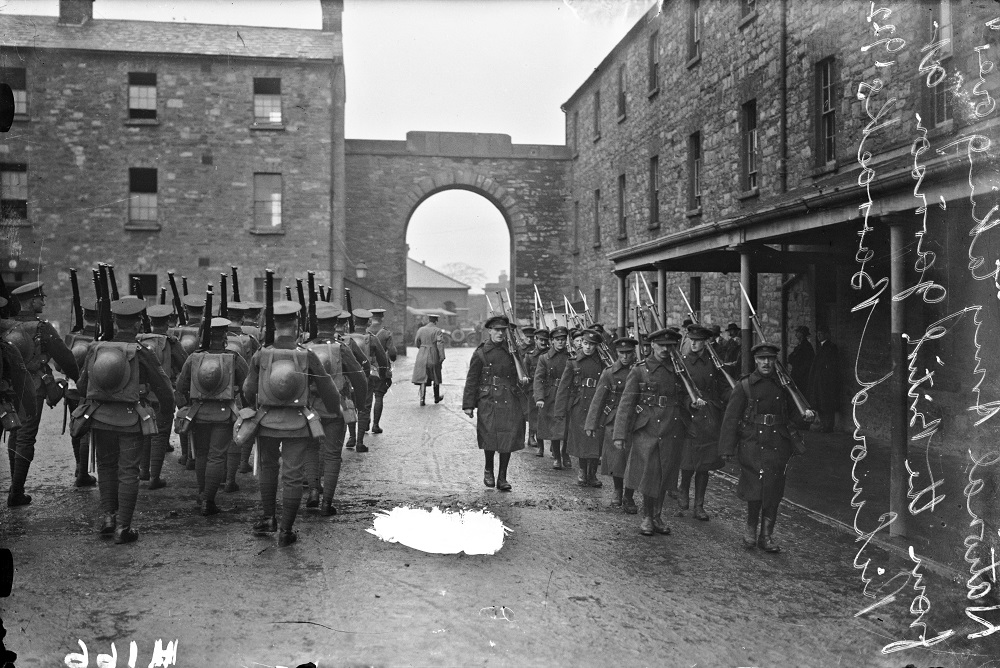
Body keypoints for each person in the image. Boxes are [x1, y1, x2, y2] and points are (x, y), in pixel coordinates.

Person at [76, 298, 175, 544]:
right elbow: (163, 387)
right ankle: (123, 528)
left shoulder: (97, 348)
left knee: (106, 468)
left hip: (99, 418)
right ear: (140, 322)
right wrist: (165, 408)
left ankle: (109, 518)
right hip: (130, 419)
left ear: (116, 322)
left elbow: (81, 386)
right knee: (128, 472)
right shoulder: (142, 352)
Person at [242, 301, 341, 547]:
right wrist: (332, 409)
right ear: (296, 326)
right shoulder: (306, 355)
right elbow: (327, 387)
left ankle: (268, 518)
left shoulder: (261, 354)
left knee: (267, 468)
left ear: (275, 326)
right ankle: (286, 531)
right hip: (297, 422)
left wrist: (255, 406)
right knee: (293, 476)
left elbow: (248, 388)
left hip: (266, 421)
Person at [719, 343, 815, 552]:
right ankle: (751, 531)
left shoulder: (783, 385)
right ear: (756, 360)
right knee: (755, 489)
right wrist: (727, 447)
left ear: (774, 361)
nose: (766, 363)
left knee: (773, 491)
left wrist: (805, 415)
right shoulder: (745, 385)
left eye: (770, 359)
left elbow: (793, 413)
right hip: (752, 443)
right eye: (762, 359)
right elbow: (731, 417)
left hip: (777, 444)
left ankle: (767, 535)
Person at [612, 328, 704, 537]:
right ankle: (647, 516)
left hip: (672, 427)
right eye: (661, 345)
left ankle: (657, 516)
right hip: (647, 428)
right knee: (650, 472)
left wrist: (693, 404)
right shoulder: (640, 370)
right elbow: (626, 404)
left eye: (670, 345)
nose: (665, 349)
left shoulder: (678, 370)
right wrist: (619, 434)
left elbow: (685, 397)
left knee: (666, 472)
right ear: (652, 345)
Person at [2, 282, 80, 506]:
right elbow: (64, 356)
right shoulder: (41, 327)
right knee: (26, 436)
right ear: (31, 300)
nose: (44, 302)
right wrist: (76, 377)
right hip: (32, 385)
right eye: (41, 298)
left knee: (15, 434)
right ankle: (16, 492)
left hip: (9, 386)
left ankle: (15, 486)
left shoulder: (7, 324)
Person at [174, 317, 249, 515]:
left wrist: (186, 406)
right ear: (224, 336)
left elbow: (180, 387)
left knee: (201, 454)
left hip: (198, 413)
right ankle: (209, 500)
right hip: (224, 413)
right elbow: (248, 385)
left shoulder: (194, 358)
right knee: (216, 457)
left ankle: (202, 494)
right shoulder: (233, 357)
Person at [304, 303, 367, 515]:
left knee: (312, 450)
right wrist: (358, 404)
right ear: (335, 323)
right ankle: (326, 503)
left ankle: (313, 490)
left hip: (310, 408)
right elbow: (359, 379)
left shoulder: (305, 347)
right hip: (336, 407)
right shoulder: (341, 348)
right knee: (332, 455)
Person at [462, 314, 529, 491]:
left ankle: (502, 478)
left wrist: (523, 376)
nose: (500, 333)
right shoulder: (481, 353)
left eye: (503, 330)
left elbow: (522, 373)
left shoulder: (513, 351)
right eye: (497, 330)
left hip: (509, 398)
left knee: (508, 438)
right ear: (490, 331)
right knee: (490, 436)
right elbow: (472, 380)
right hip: (489, 399)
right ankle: (488, 469)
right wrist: (468, 404)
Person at [677, 325, 729, 521]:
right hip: (689, 417)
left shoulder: (714, 364)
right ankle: (683, 489)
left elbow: (722, 388)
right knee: (689, 461)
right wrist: (689, 402)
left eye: (698, 340)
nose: (694, 343)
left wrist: (732, 396)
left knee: (705, 465)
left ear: (706, 342)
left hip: (709, 416)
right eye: (691, 339)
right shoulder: (683, 363)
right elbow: (679, 391)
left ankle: (699, 505)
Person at [136, 304, 188, 490]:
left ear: (150, 321)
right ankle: (154, 477)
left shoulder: (139, 340)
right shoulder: (171, 342)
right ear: (167, 322)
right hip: (161, 394)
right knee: (160, 434)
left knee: (144, 432)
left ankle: (143, 471)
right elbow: (184, 363)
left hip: (141, 396)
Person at [587, 336, 638, 513]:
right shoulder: (609, 373)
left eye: (628, 353)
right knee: (617, 459)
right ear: (617, 353)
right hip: (613, 419)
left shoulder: (640, 371)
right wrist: (591, 424)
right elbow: (598, 399)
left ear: (634, 353)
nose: (625, 357)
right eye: (622, 353)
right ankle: (617, 490)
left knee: (632, 459)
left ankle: (629, 496)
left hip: (636, 420)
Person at [556, 329, 607, 487]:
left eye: (592, 345)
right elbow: (564, 387)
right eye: (585, 343)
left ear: (597, 346)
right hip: (579, 405)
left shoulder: (603, 361)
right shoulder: (573, 362)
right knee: (582, 440)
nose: (588, 347)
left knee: (595, 439)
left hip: (598, 404)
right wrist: (559, 410)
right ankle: (582, 471)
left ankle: (592, 474)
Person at [63, 300, 100, 487]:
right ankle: (83, 472)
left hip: (73, 391)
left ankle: (80, 466)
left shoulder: (73, 338)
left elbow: (60, 364)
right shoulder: (104, 339)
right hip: (96, 391)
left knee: (78, 428)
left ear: (84, 316)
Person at [346, 309, 388, 453]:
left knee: (350, 405)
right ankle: (359, 442)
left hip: (348, 377)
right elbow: (383, 359)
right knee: (364, 407)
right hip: (366, 377)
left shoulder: (346, 338)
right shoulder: (372, 338)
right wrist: (382, 375)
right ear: (368, 322)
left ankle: (351, 437)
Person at [533, 325, 570, 469]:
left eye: (563, 339)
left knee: (566, 427)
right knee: (554, 427)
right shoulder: (545, 358)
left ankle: (565, 453)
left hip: (567, 394)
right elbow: (538, 379)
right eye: (557, 340)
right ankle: (557, 456)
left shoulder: (571, 357)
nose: (560, 342)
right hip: (551, 395)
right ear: (552, 341)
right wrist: (540, 397)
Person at [367, 308, 396, 434]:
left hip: (365, 367)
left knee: (365, 397)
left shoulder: (364, 331)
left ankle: (364, 424)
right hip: (381, 367)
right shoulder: (386, 333)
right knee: (378, 396)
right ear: (382, 318)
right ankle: (375, 425)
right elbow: (393, 353)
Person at [807, 325, 840, 432]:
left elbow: (831, 365)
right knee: (820, 403)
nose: (818, 336)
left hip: (826, 382)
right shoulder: (821, 347)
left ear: (827, 334)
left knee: (827, 404)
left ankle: (828, 426)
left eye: (821, 334)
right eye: (817, 334)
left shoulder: (831, 347)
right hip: (819, 381)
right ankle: (823, 424)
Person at [412, 314, 446, 406]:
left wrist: (423, 348)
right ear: (436, 321)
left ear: (428, 320)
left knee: (423, 377)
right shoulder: (437, 330)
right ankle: (436, 398)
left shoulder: (421, 330)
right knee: (435, 375)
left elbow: (416, 342)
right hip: (433, 353)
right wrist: (442, 356)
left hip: (421, 354)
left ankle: (422, 399)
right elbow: (440, 344)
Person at [525, 328, 550, 453]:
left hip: (548, 388)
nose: (544, 343)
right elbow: (524, 372)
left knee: (546, 414)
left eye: (546, 340)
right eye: (541, 340)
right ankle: (531, 436)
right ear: (536, 340)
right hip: (532, 388)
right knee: (533, 412)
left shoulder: (550, 354)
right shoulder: (529, 356)